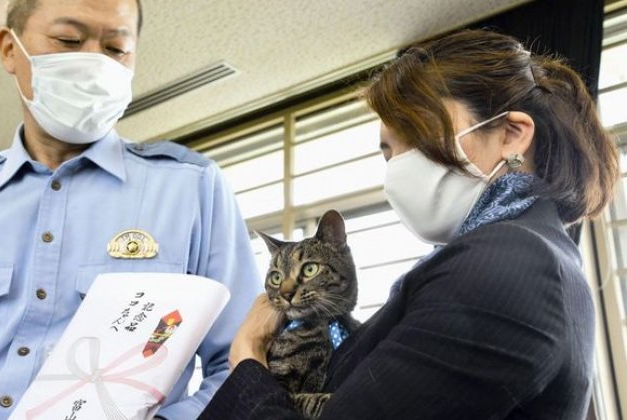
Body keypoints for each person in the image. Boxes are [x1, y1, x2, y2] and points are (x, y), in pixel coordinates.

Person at [199, 29, 619, 420]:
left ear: (511, 134)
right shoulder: (522, 250)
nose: (399, 167)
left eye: (415, 136)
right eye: (388, 152)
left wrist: (248, 357)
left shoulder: (509, 264)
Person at [0, 0, 261, 419]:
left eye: (116, 49)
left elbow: (242, 363)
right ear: (10, 50)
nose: (94, 63)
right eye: (69, 40)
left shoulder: (191, 187)